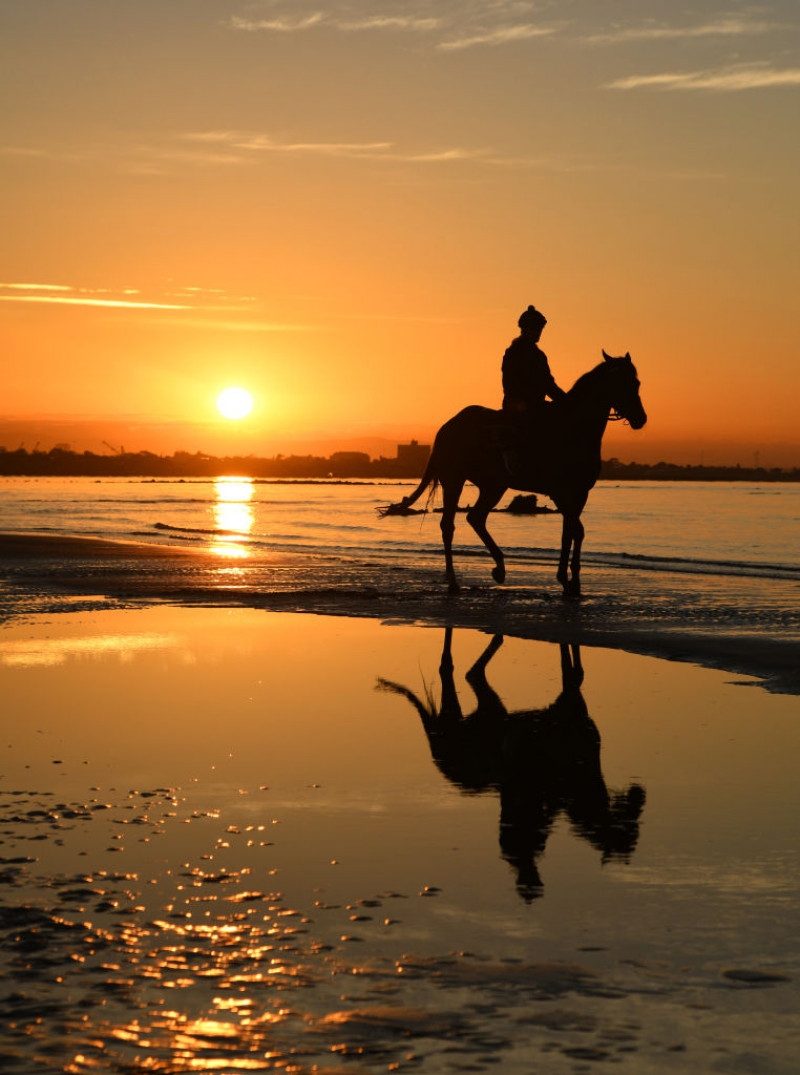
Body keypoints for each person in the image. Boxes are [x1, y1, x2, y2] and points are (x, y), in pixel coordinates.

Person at [501, 305, 566, 420]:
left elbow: (549, 385)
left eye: (540, 329)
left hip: (535, 405)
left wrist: (567, 401)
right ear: (526, 329)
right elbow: (510, 383)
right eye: (536, 329)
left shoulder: (539, 356)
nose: (539, 333)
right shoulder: (514, 352)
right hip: (518, 407)